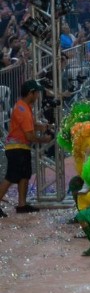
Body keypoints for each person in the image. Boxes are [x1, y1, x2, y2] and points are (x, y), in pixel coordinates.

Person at [0, 79, 52, 215]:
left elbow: (30, 126)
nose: (38, 96)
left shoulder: (24, 107)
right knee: (11, 177)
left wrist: (42, 126)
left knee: (25, 175)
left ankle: (22, 205)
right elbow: (29, 136)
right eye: (37, 93)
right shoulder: (23, 109)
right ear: (31, 93)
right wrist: (44, 140)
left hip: (21, 148)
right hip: (16, 148)